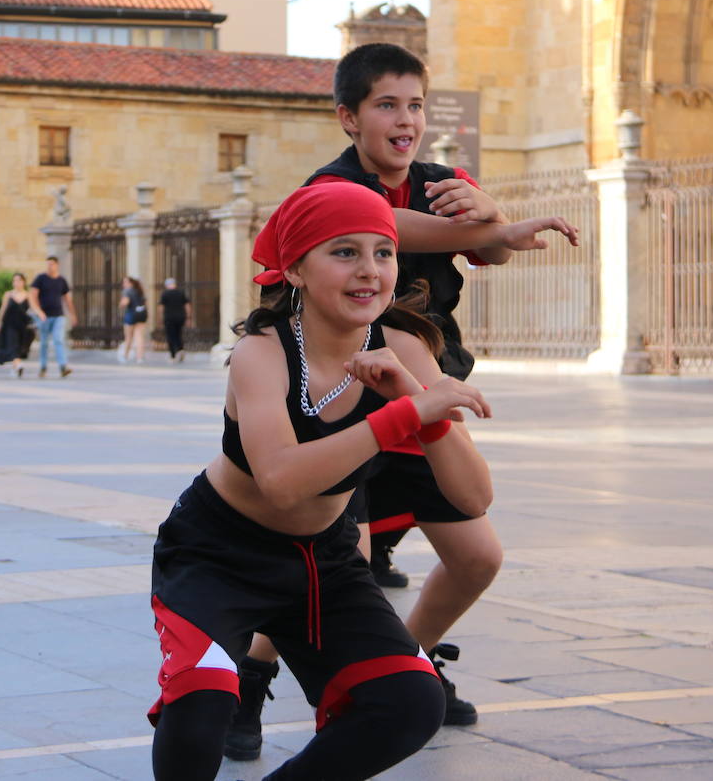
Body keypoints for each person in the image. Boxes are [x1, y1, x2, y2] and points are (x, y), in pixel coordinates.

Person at [227, 43, 581, 758]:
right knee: (332, 559)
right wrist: (491, 224)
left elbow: (492, 252)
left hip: (422, 383)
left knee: (478, 554)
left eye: (415, 104)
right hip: (343, 389)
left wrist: (491, 216)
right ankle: (253, 676)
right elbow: (395, 227)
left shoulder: (444, 183)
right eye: (386, 104)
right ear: (349, 119)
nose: (405, 119)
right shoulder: (326, 189)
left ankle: (404, 664)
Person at [149, 183, 492, 781]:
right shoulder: (263, 351)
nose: (369, 271)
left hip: (323, 563)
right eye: (344, 252)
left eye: (383, 253)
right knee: (203, 703)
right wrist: (404, 417)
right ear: (297, 270)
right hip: (218, 553)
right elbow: (281, 481)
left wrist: (417, 399)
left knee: (410, 703)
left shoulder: (405, 345)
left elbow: (473, 496)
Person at [28, 257, 76, 378]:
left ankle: (63, 366)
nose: (50, 267)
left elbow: (67, 299)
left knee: (58, 340)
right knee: (44, 342)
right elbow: (32, 296)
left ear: (57, 265)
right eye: (48, 264)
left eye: (52, 264)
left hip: (58, 315)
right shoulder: (41, 279)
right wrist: (38, 312)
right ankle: (43, 366)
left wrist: (73, 315)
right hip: (44, 316)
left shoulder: (61, 280)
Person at [0, 273, 32, 377]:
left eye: (19, 280)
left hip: (22, 325)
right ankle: (18, 365)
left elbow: (34, 308)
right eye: (14, 280)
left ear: (23, 282)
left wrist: (41, 316)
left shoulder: (28, 295)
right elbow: (2, 309)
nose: (16, 283)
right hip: (9, 324)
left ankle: (15, 368)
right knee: (12, 344)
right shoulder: (8, 294)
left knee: (19, 346)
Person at [158, 277, 192, 363]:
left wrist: (160, 318)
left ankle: (173, 355)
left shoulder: (165, 294)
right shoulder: (181, 293)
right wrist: (188, 317)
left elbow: (161, 307)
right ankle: (180, 349)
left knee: (170, 336)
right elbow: (187, 305)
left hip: (169, 318)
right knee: (178, 334)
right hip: (180, 317)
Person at [118, 276, 148, 363]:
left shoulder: (127, 291)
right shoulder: (140, 291)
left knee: (128, 337)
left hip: (131, 315)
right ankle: (140, 357)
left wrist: (120, 305)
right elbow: (145, 303)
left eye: (125, 282)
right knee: (139, 337)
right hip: (142, 315)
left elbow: (125, 302)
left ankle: (125, 356)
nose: (124, 284)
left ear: (131, 283)